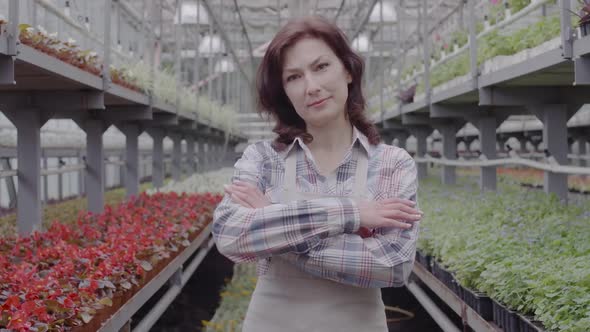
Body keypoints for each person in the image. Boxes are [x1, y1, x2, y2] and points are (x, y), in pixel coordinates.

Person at [212, 15, 422, 332]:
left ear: (348, 70)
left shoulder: (392, 163)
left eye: (321, 67)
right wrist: (350, 214)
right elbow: (230, 234)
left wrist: (272, 220)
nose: (311, 87)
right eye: (294, 77)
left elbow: (393, 265)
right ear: (284, 92)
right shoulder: (264, 159)